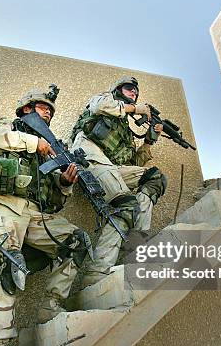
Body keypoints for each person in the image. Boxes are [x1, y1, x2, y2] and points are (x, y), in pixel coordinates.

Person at [0, 85, 90, 346]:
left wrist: (64, 183)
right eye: (42, 107)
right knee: (8, 262)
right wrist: (33, 144)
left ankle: (50, 306)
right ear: (26, 110)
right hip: (0, 206)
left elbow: (54, 202)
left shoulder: (51, 149)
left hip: (33, 214)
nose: (47, 112)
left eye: (50, 110)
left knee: (76, 239)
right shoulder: (8, 127)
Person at [70, 76, 167, 287]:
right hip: (88, 157)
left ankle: (137, 247)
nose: (134, 93)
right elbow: (98, 105)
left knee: (154, 178)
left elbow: (132, 163)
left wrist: (150, 140)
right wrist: (137, 109)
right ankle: (96, 274)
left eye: (135, 91)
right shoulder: (105, 100)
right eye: (129, 89)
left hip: (110, 169)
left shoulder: (123, 128)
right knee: (125, 206)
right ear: (117, 90)